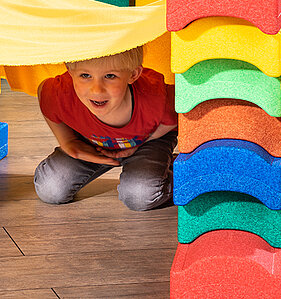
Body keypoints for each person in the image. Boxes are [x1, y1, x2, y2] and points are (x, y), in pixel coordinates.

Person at [34, 46, 177, 211]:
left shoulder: (154, 98)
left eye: (110, 76)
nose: (97, 89)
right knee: (50, 190)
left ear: (133, 74)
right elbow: (43, 91)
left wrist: (143, 141)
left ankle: (174, 167)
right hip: (93, 144)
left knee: (139, 196)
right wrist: (67, 141)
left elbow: (176, 116)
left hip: (146, 142)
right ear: (70, 70)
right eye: (85, 75)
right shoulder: (62, 93)